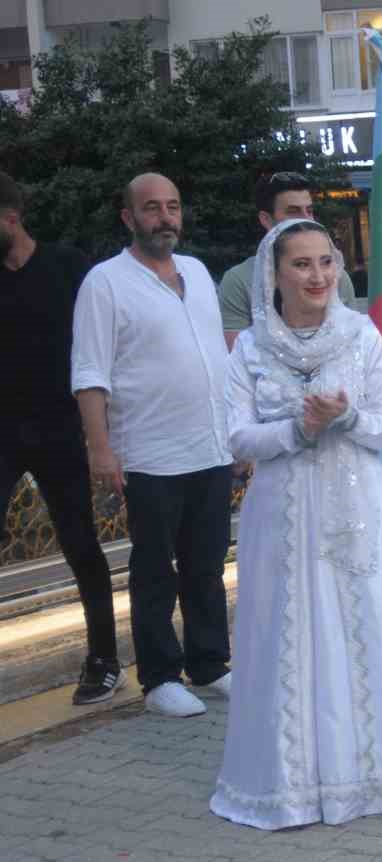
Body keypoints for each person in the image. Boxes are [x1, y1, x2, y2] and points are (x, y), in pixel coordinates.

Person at [211, 220, 382, 829]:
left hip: (356, 507)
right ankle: (293, 782)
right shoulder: (250, 348)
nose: (318, 276)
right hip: (282, 511)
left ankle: (377, 770)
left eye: (326, 262)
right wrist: (297, 430)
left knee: (363, 620)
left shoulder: (361, 334)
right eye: (302, 264)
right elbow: (237, 435)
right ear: (275, 273)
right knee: (289, 628)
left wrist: (345, 420)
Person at [72, 173, 233, 720]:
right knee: (154, 570)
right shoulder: (105, 282)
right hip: (149, 453)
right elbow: (90, 370)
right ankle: (160, 677)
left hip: (210, 446)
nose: (165, 217)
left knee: (207, 565)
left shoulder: (197, 272)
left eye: (172, 207)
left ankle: (210, 664)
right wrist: (100, 446)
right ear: (128, 217)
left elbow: (217, 358)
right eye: (152, 209)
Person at [0, 172, 122, 704]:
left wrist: (102, 431)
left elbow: (101, 345)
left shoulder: (68, 267)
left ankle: (104, 658)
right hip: (2, 430)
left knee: (80, 544)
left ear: (10, 216)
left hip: (59, 428)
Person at [218, 172, 357, 351]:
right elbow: (237, 354)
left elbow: (352, 349)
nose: (306, 220)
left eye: (310, 211)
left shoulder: (336, 276)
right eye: (294, 212)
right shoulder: (238, 280)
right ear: (266, 220)